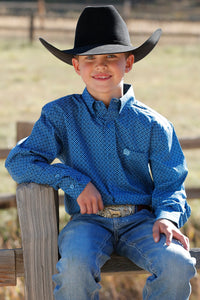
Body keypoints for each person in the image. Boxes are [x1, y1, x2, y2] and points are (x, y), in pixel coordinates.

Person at [5, 5, 196, 300]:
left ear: (129, 63)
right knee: (73, 267)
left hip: (142, 222)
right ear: (76, 66)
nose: (101, 66)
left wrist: (168, 217)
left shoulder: (154, 124)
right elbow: (19, 160)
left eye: (111, 57)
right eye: (90, 58)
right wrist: (74, 181)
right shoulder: (60, 115)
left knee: (178, 264)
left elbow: (170, 184)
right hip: (88, 223)